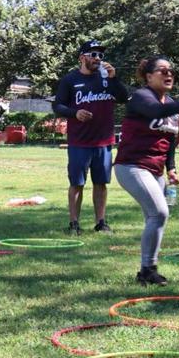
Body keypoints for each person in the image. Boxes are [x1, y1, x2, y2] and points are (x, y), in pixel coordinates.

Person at [115, 56, 179, 285]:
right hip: (132, 166)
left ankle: (148, 270)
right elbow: (154, 111)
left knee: (155, 218)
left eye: (171, 70)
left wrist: (171, 168)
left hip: (156, 170)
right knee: (159, 213)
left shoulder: (171, 102)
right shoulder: (142, 97)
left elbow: (170, 138)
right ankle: (147, 270)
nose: (168, 74)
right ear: (148, 76)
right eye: (162, 70)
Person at [51, 40, 130, 235]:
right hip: (79, 141)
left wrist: (113, 79)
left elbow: (122, 97)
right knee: (77, 183)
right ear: (82, 58)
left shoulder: (106, 79)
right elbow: (57, 106)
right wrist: (74, 113)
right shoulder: (70, 80)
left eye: (100, 55)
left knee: (101, 183)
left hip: (103, 141)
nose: (97, 59)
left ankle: (100, 222)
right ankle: (74, 224)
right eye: (93, 54)